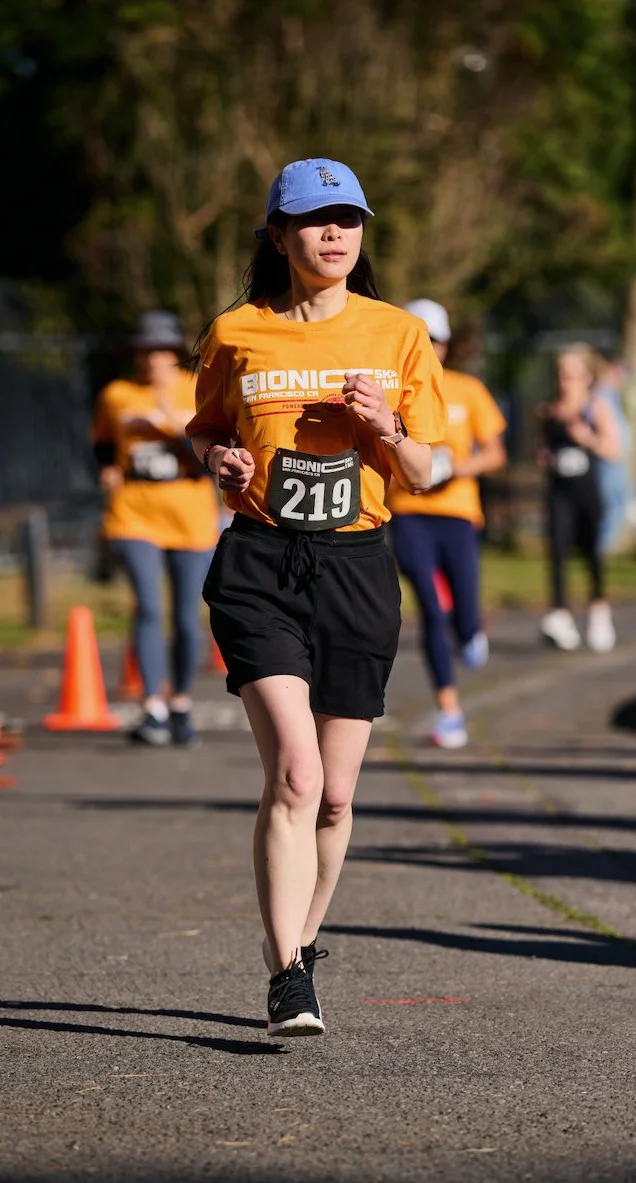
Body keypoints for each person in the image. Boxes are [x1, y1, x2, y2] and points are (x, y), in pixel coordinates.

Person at [186, 158, 445, 1037]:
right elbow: (205, 428)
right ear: (277, 235)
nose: (334, 234)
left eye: (348, 219)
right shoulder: (236, 333)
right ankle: (287, 974)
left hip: (358, 566)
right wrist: (217, 460)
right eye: (313, 220)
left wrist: (386, 428)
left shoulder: (399, 333)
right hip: (260, 564)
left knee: (334, 796)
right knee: (295, 773)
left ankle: (299, 943)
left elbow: (426, 470)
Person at [91, 311, 220, 746]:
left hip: (189, 516)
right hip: (133, 513)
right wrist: (107, 468)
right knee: (148, 607)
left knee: (185, 617)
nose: (153, 360)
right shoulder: (117, 394)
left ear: (175, 353)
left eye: (161, 351)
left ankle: (180, 701)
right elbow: (102, 441)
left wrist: (169, 427)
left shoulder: (197, 390)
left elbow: (210, 460)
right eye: (145, 351)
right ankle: (152, 707)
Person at [387, 299, 507, 749]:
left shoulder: (467, 389)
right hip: (409, 511)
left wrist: (457, 468)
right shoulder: (390, 391)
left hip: (458, 514)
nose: (427, 347)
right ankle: (449, 710)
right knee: (431, 611)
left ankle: (472, 630)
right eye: (417, 339)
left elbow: (495, 454)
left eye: (434, 339)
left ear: (445, 344)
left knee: (464, 614)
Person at [536, 345, 621, 653]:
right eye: (561, 375)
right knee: (557, 552)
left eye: (571, 376)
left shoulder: (595, 407)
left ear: (586, 377)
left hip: (587, 492)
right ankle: (560, 614)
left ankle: (599, 610)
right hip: (559, 492)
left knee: (591, 553)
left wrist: (588, 438)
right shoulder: (549, 410)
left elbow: (613, 450)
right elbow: (542, 448)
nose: (565, 382)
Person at [593, 355, 633, 553]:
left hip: (616, 462)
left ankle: (605, 548)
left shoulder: (611, 396)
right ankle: (600, 549)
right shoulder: (600, 396)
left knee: (620, 502)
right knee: (609, 505)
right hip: (607, 462)